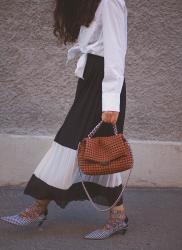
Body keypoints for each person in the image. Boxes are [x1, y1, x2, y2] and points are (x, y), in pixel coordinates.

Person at [0, 0, 129, 240]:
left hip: (104, 85)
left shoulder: (110, 1)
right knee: (95, 148)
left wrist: (111, 102)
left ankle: (38, 208)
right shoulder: (93, 3)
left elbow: (116, 50)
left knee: (77, 144)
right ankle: (117, 216)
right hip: (90, 80)